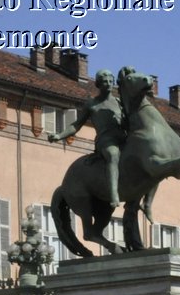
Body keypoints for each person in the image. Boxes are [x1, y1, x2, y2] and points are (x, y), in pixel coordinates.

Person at [50, 68, 125, 205]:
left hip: (123, 137)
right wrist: (59, 135)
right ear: (98, 84)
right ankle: (114, 194)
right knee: (113, 154)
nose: (108, 83)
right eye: (105, 81)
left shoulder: (119, 102)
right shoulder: (91, 104)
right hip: (106, 140)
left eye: (110, 81)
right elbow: (76, 125)